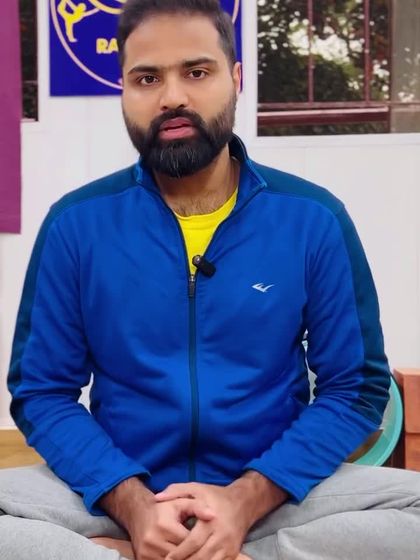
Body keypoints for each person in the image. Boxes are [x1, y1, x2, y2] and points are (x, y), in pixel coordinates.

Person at [2, 1, 420, 559]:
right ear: (123, 90)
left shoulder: (311, 218)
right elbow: (42, 392)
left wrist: (246, 500)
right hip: (113, 498)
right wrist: (132, 504)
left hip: (272, 499)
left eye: (196, 72)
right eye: (147, 78)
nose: (172, 97)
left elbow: (357, 388)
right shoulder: (77, 224)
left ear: (236, 78)